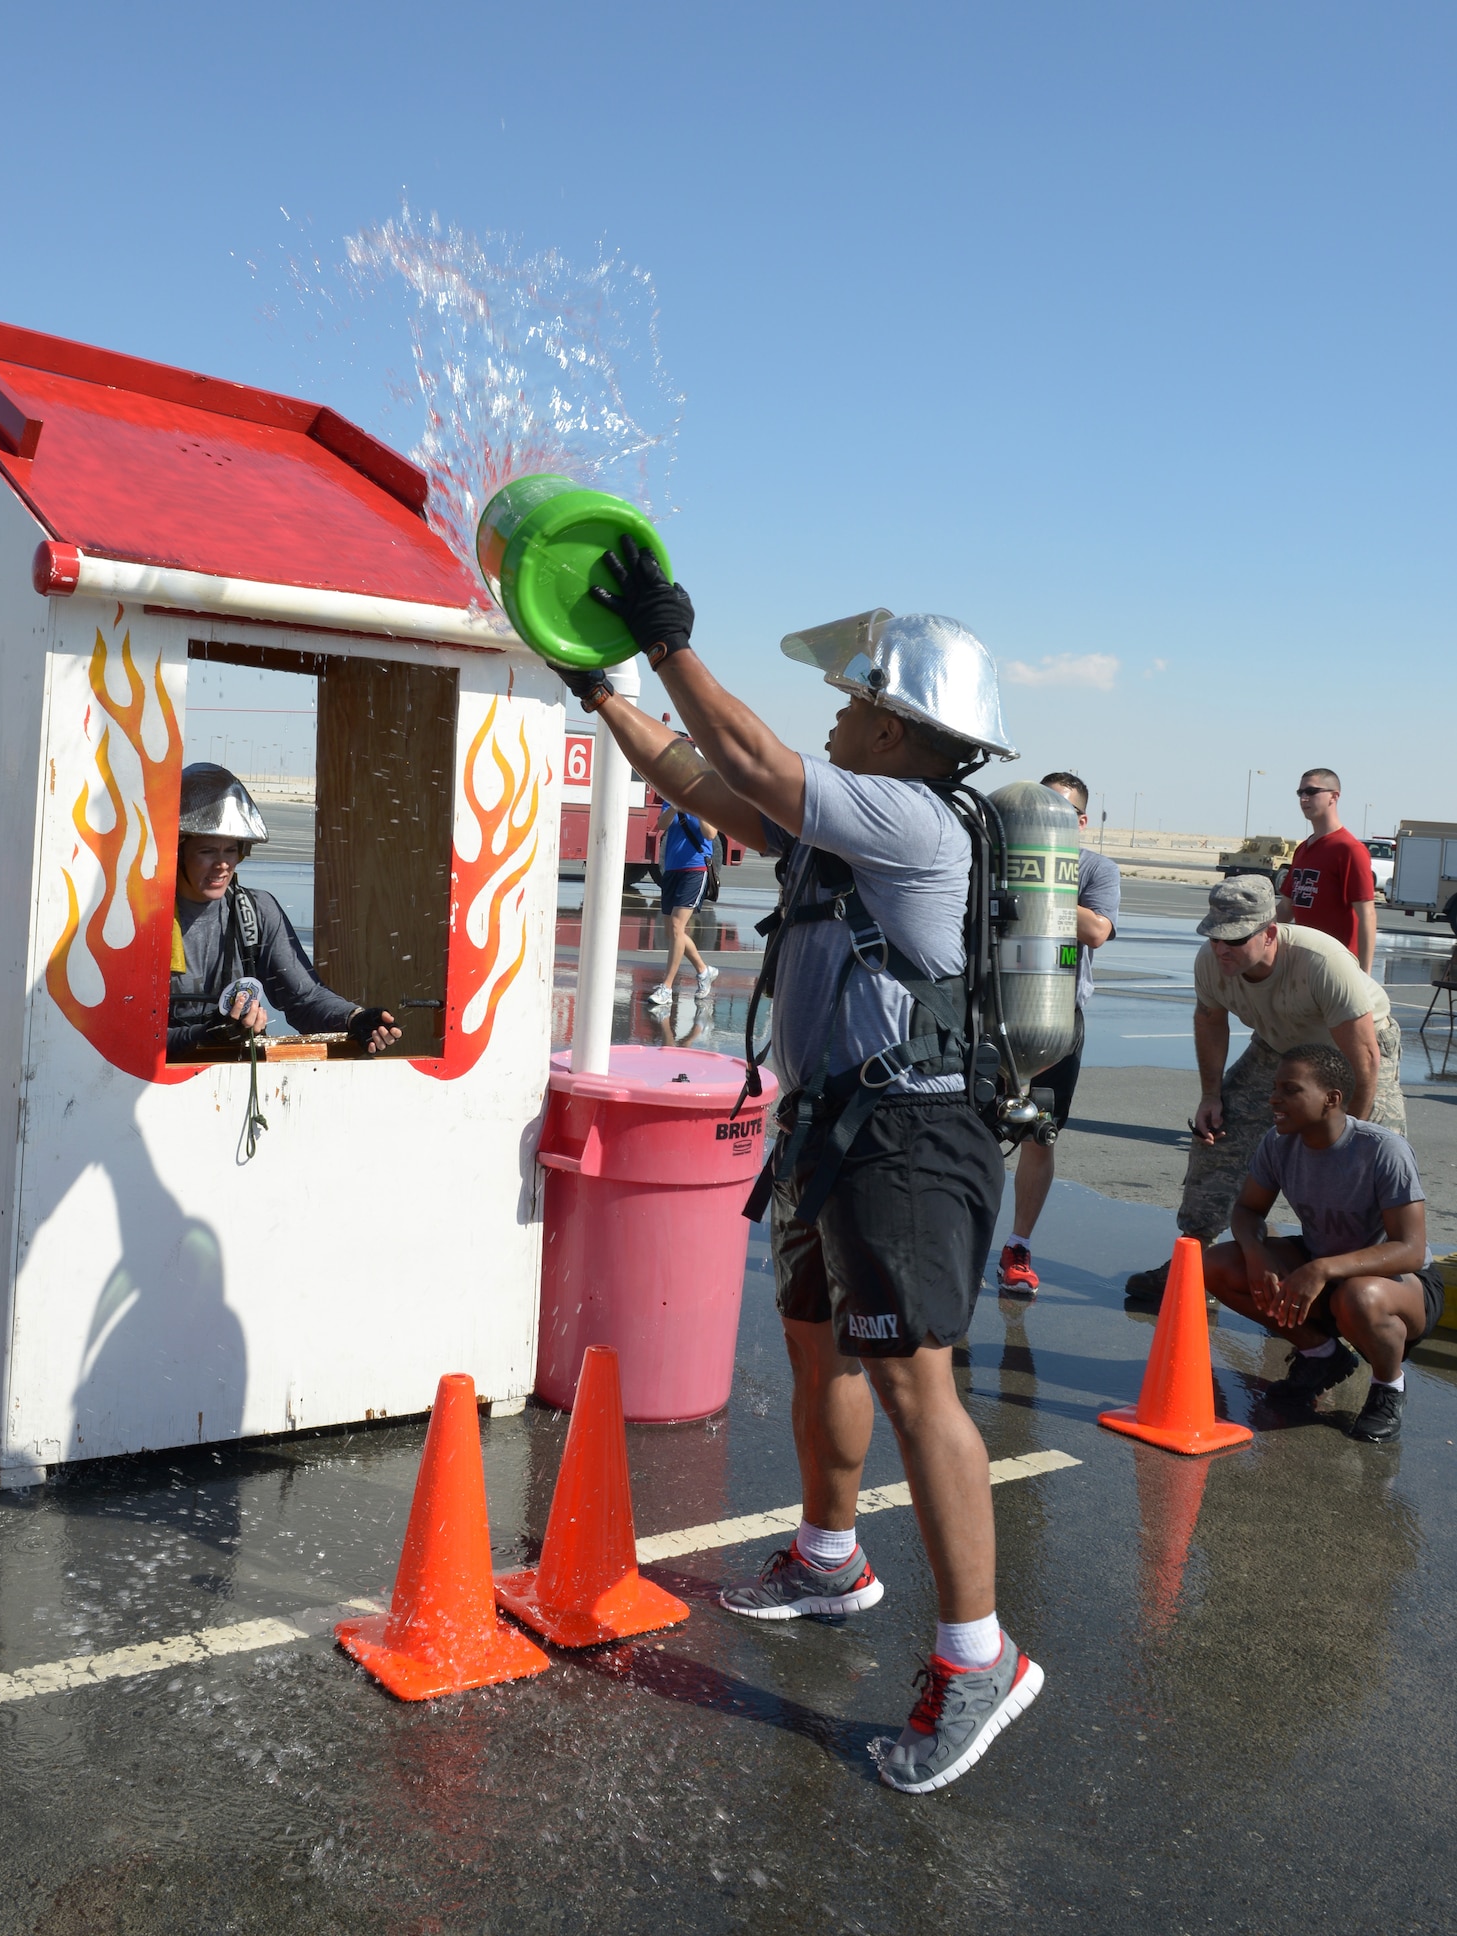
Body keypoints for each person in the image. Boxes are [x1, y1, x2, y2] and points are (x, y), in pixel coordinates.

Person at [554, 552, 1042, 1796]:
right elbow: (714, 783)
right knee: (820, 1345)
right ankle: (831, 1557)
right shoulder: (853, 820)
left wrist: (671, 644)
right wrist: (605, 694)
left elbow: (762, 761)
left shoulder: (913, 814)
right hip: (835, 1129)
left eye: (852, 697)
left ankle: (978, 1660)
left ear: (902, 724)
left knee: (915, 1385)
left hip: (909, 1140)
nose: (835, 711)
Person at [1126, 872, 1406, 1305]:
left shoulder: (1321, 961)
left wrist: (1349, 1134)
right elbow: (1209, 1021)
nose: (1221, 949)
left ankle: (1363, 1290)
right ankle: (1193, 1259)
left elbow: (1365, 1056)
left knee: (1371, 1159)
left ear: (1270, 932)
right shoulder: (1211, 963)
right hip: (1278, 1045)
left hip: (1354, 1050)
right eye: (1215, 937)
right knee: (1219, 1134)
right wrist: (1210, 1095)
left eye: (1234, 940)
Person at [1203, 1043, 1443, 1444]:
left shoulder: (1382, 1150)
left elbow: (1410, 1249)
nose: (1274, 1098)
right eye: (1275, 1087)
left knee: (1358, 1296)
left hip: (1400, 1285)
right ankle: (1321, 1355)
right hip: (1324, 1267)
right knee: (1216, 1265)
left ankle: (1388, 1388)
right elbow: (1246, 1210)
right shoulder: (1278, 1144)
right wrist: (1256, 1251)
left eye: (1290, 1089)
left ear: (1331, 1099)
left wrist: (1322, 1268)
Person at [167, 763, 401, 1058]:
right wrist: (203, 1036)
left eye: (231, 850)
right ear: (178, 851)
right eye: (207, 851)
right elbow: (122, 1037)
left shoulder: (254, 912)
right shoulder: (144, 920)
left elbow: (305, 998)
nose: (222, 864)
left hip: (234, 1081)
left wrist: (353, 1018)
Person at [997, 772, 1120, 1295]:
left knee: (1039, 1135)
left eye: (1063, 812)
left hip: (1055, 1021)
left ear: (1081, 820)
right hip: (991, 1013)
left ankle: (1018, 1244)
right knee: (971, 1128)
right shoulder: (998, 856)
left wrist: (1040, 881)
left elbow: (1096, 931)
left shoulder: (1096, 868)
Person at [1276, 767, 1376, 971]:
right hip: (1304, 966)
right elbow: (1286, 908)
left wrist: (1364, 976)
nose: (1304, 798)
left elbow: (1367, 915)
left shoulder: (1349, 850)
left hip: (1338, 968)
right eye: (1300, 793)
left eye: (1311, 792)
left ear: (1334, 796)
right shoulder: (1303, 849)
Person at [649, 794, 719, 1007]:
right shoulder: (671, 796)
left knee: (678, 927)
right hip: (672, 869)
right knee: (672, 931)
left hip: (695, 869)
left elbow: (711, 833)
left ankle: (667, 988)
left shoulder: (706, 800)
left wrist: (695, 807)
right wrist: (675, 806)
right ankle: (703, 970)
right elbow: (661, 824)